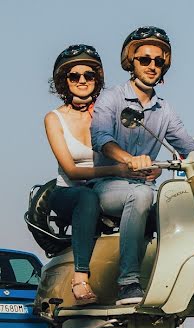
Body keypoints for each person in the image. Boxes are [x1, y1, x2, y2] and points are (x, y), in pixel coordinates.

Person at [90, 26, 194, 305]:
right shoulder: (111, 98)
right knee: (143, 194)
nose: (152, 66)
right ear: (131, 62)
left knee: (180, 203)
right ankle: (128, 282)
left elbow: (187, 147)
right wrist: (128, 159)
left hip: (143, 187)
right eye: (144, 59)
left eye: (158, 61)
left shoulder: (165, 110)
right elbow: (101, 139)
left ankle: (173, 279)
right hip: (108, 186)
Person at [44, 45, 140, 305]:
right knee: (86, 197)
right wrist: (118, 169)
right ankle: (80, 277)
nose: (83, 81)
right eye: (75, 76)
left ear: (97, 79)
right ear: (64, 80)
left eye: (89, 75)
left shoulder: (107, 114)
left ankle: (135, 277)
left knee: (148, 200)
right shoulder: (54, 119)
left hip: (105, 188)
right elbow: (71, 170)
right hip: (68, 192)